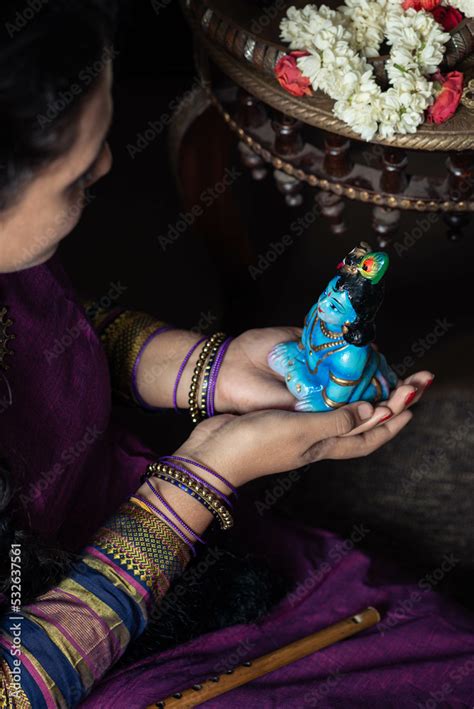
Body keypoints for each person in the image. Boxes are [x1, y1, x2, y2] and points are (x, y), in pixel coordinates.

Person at [0, 1, 436, 706]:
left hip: (133, 522)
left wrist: (211, 369)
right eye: (76, 176)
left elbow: (40, 341)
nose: (110, 163)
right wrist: (208, 470)